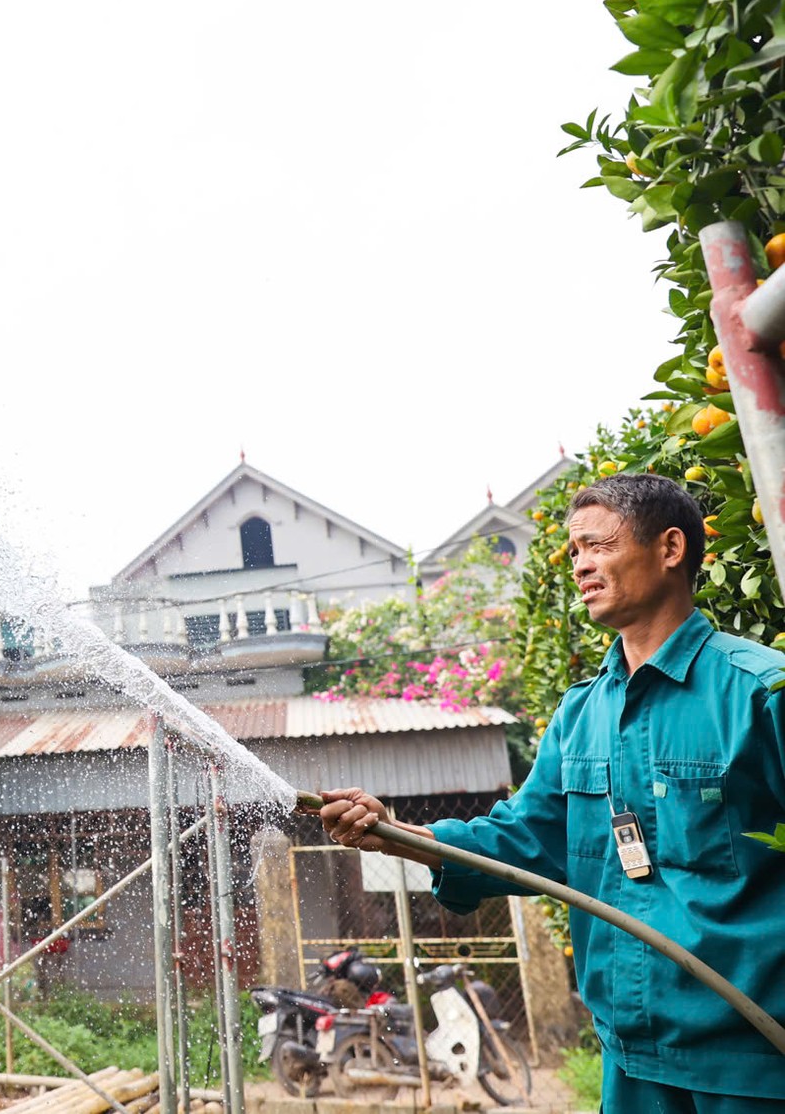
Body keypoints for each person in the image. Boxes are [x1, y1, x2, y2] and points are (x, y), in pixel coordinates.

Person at [314, 474, 785, 1113]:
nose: (582, 565)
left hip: (753, 1058)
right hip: (630, 1055)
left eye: (598, 545)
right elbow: (528, 838)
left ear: (671, 548)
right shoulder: (581, 715)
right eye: (574, 553)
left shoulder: (760, 692)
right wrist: (395, 834)